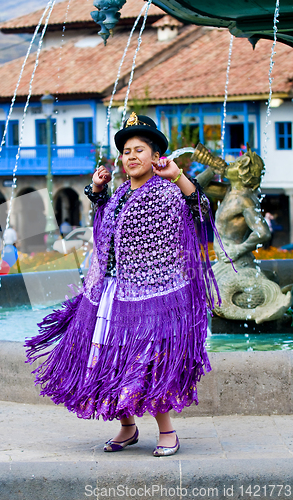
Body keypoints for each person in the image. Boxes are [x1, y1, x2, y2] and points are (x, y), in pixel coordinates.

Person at [25, 113, 219, 457]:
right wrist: (98, 193)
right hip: (111, 292)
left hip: (155, 294)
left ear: (156, 156)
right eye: (127, 150)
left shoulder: (168, 193)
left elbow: (201, 211)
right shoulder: (117, 196)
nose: (131, 156)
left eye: (139, 149)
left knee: (148, 360)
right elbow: (105, 233)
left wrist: (181, 178)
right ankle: (127, 427)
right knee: (110, 359)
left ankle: (167, 430)